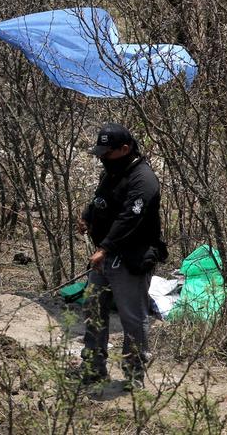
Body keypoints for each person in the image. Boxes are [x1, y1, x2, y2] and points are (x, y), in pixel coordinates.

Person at [73, 123, 164, 391]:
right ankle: (93, 368)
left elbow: (130, 218)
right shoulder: (112, 172)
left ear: (124, 149)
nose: (102, 157)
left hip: (130, 258)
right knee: (93, 309)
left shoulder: (143, 179)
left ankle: (134, 375)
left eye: (107, 152)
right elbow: (101, 200)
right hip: (105, 257)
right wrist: (88, 218)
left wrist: (105, 248)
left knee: (132, 318)